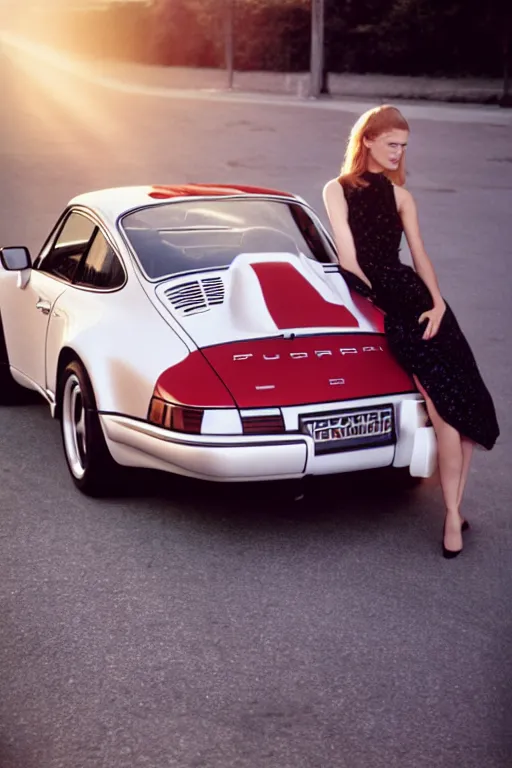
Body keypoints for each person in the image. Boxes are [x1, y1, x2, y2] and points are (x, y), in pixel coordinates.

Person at [323, 105, 499, 559]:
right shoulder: (338, 190)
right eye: (391, 144)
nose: (399, 153)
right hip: (398, 307)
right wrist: (379, 305)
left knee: (461, 412)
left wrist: (437, 302)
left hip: (420, 306)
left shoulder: (400, 196)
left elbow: (418, 256)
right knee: (447, 412)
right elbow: (348, 258)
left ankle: (453, 513)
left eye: (403, 146)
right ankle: (452, 519)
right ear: (367, 141)